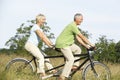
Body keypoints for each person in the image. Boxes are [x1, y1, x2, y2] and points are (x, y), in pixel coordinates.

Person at [55, 13, 95, 80]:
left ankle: (74, 66)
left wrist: (86, 46)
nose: (82, 20)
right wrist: (91, 44)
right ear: (76, 19)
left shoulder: (74, 26)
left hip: (67, 44)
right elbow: (82, 36)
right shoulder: (72, 25)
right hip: (63, 44)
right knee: (70, 59)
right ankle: (62, 77)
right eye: (81, 19)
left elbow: (78, 38)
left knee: (78, 49)